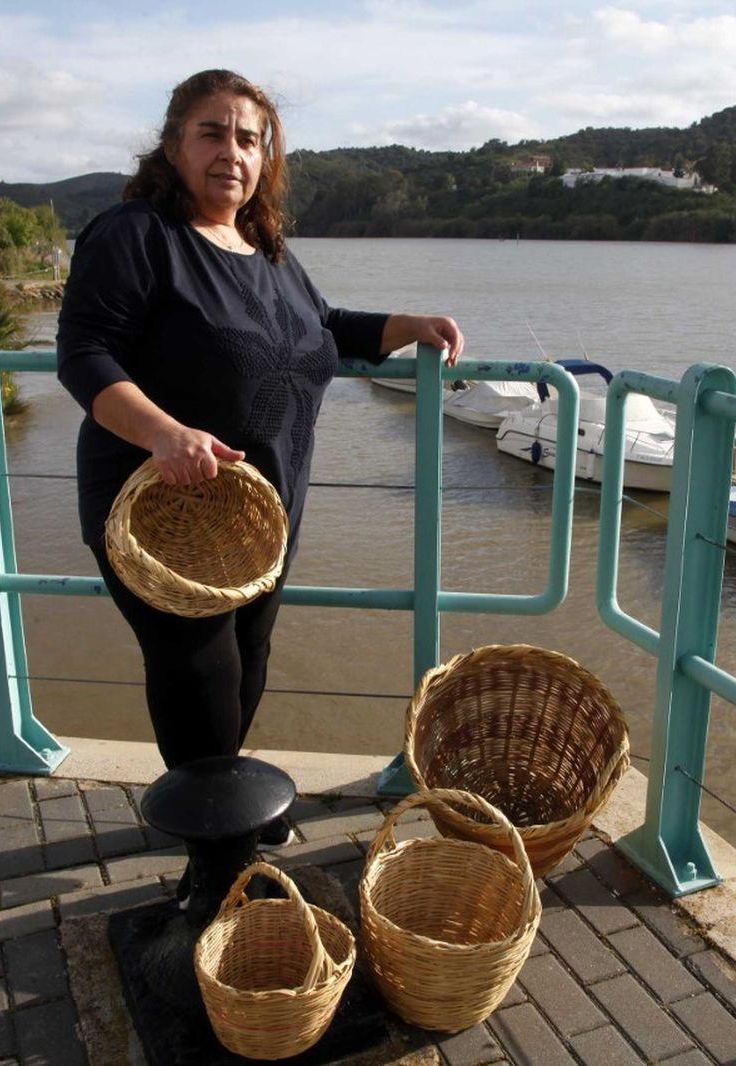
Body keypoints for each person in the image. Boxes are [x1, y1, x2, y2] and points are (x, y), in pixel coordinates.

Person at [56, 70, 463, 829]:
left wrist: (408, 325)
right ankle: (217, 862)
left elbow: (323, 326)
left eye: (249, 139)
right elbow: (84, 356)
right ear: (173, 145)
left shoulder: (263, 245)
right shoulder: (138, 235)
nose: (232, 152)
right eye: (212, 133)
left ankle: (222, 820)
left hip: (259, 519)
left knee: (245, 671)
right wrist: (163, 432)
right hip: (163, 516)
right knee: (201, 681)